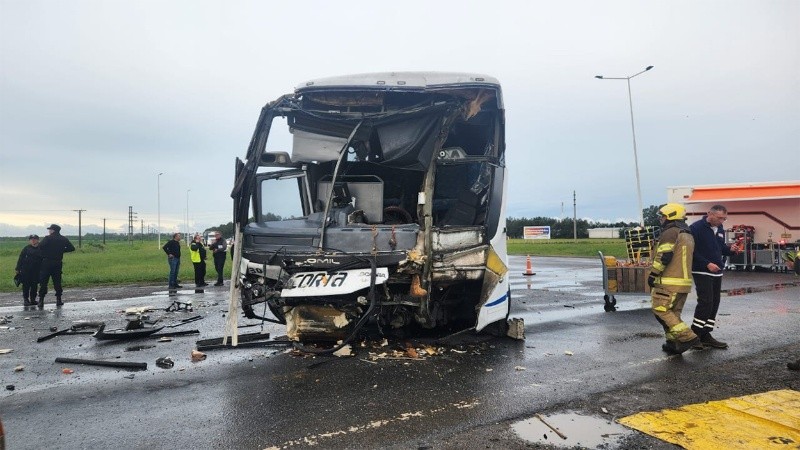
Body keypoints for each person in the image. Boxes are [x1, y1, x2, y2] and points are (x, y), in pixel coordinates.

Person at [647, 204, 700, 354]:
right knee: (673, 314)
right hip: (683, 283)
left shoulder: (670, 232)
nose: (660, 219)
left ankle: (687, 337)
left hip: (669, 282)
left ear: (670, 216)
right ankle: (673, 343)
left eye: (662, 216)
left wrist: (653, 274)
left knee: (660, 309)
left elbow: (664, 256)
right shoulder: (687, 233)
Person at [690, 204, 739, 349]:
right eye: (719, 218)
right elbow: (691, 251)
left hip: (717, 270)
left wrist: (730, 250)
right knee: (706, 302)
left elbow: (720, 248)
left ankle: (706, 334)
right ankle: (695, 335)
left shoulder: (720, 228)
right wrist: (706, 264)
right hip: (702, 270)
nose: (722, 221)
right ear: (709, 214)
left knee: (714, 302)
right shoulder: (695, 228)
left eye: (724, 218)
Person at [37, 224, 76, 308]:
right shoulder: (63, 239)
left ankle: (41, 301)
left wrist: (46, 251)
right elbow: (72, 248)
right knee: (57, 282)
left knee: (44, 282)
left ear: (53, 230)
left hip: (46, 262)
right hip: (57, 263)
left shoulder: (48, 238)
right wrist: (61, 250)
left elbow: (39, 246)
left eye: (50, 229)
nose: (49, 231)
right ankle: (59, 300)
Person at [16, 234, 43, 307]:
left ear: (38, 240)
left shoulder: (41, 248)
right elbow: (20, 258)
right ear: (29, 241)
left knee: (34, 285)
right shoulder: (26, 248)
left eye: (34, 239)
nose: (33, 240)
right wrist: (18, 268)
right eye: (31, 239)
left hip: (36, 271)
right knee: (26, 285)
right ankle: (26, 300)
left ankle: (33, 299)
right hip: (26, 270)